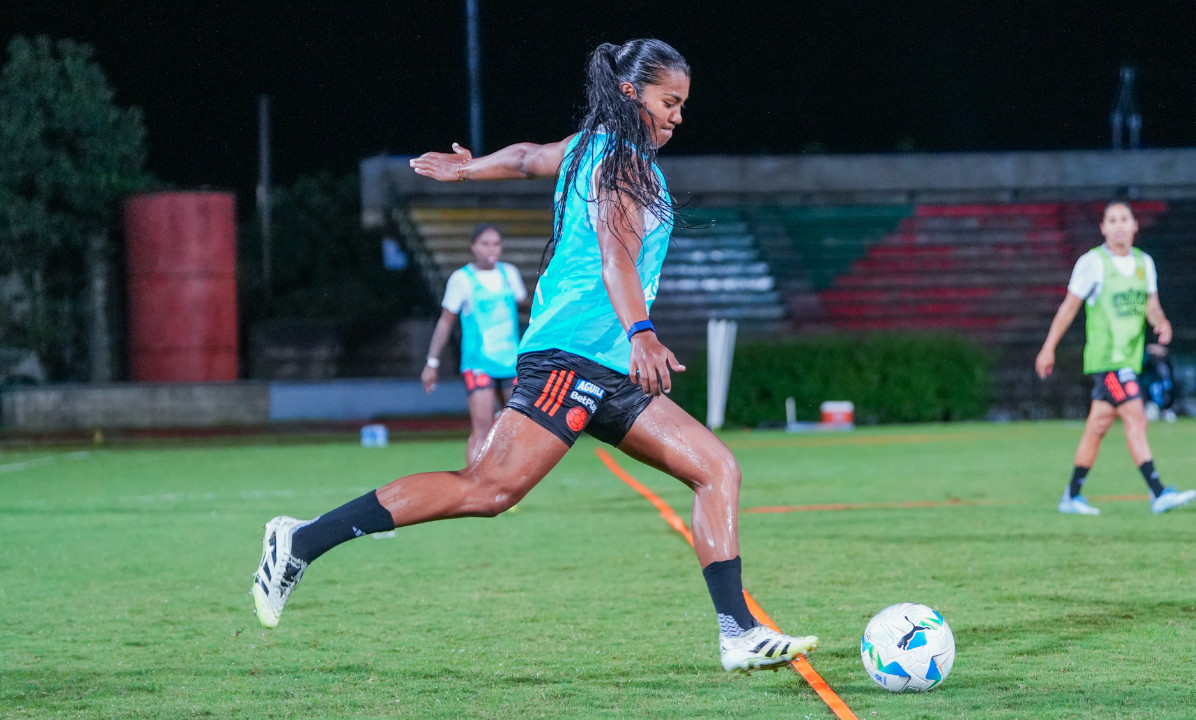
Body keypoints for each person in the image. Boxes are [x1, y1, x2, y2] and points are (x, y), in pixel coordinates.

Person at [251, 38, 818, 675]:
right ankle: (300, 539)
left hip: (608, 366)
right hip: (573, 357)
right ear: (631, 95)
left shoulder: (591, 147)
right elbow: (615, 257)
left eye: (683, 104)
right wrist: (641, 332)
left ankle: (737, 631)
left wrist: (469, 168)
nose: (679, 116)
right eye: (670, 101)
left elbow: (525, 158)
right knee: (488, 490)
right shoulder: (622, 165)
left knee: (716, 469)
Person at [1035, 200, 1196, 515]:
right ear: (1103, 228)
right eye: (1112, 220)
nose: (1119, 225)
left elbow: (1151, 305)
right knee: (1135, 416)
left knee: (1097, 427)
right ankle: (1158, 492)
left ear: (1135, 225)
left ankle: (1071, 495)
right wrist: (1048, 346)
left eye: (1125, 219)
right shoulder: (1092, 263)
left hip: (1129, 360)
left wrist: (1160, 322)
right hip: (1108, 362)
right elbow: (1069, 307)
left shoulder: (1143, 263)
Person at [420, 223, 527, 463]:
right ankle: (475, 489)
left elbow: (524, 307)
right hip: (478, 363)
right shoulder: (462, 279)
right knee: (482, 429)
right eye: (485, 244)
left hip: (511, 361)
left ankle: (507, 487)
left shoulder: (509, 273)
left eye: (496, 244)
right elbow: (445, 322)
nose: (492, 249)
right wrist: (432, 362)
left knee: (514, 428)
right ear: (473, 247)